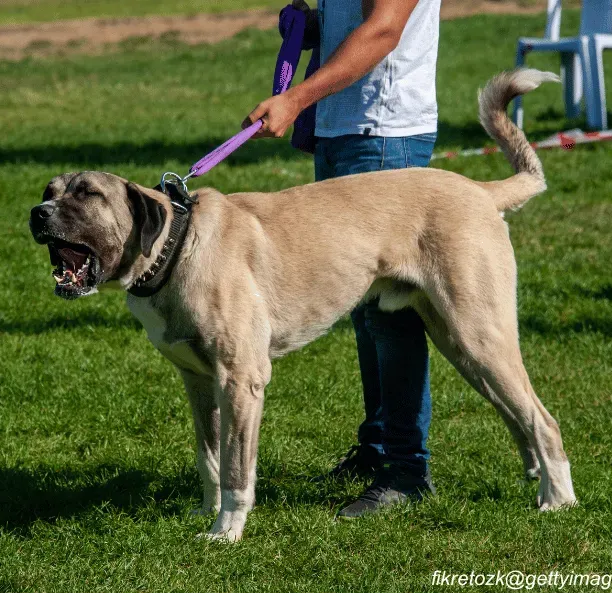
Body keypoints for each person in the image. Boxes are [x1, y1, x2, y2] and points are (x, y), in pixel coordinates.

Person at [242, 0, 441, 517]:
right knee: (365, 306)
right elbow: (357, 22)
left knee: (390, 315)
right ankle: (379, 449)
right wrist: (314, 27)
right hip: (344, 131)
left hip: (383, 135)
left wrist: (296, 98)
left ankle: (406, 470)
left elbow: (382, 31)